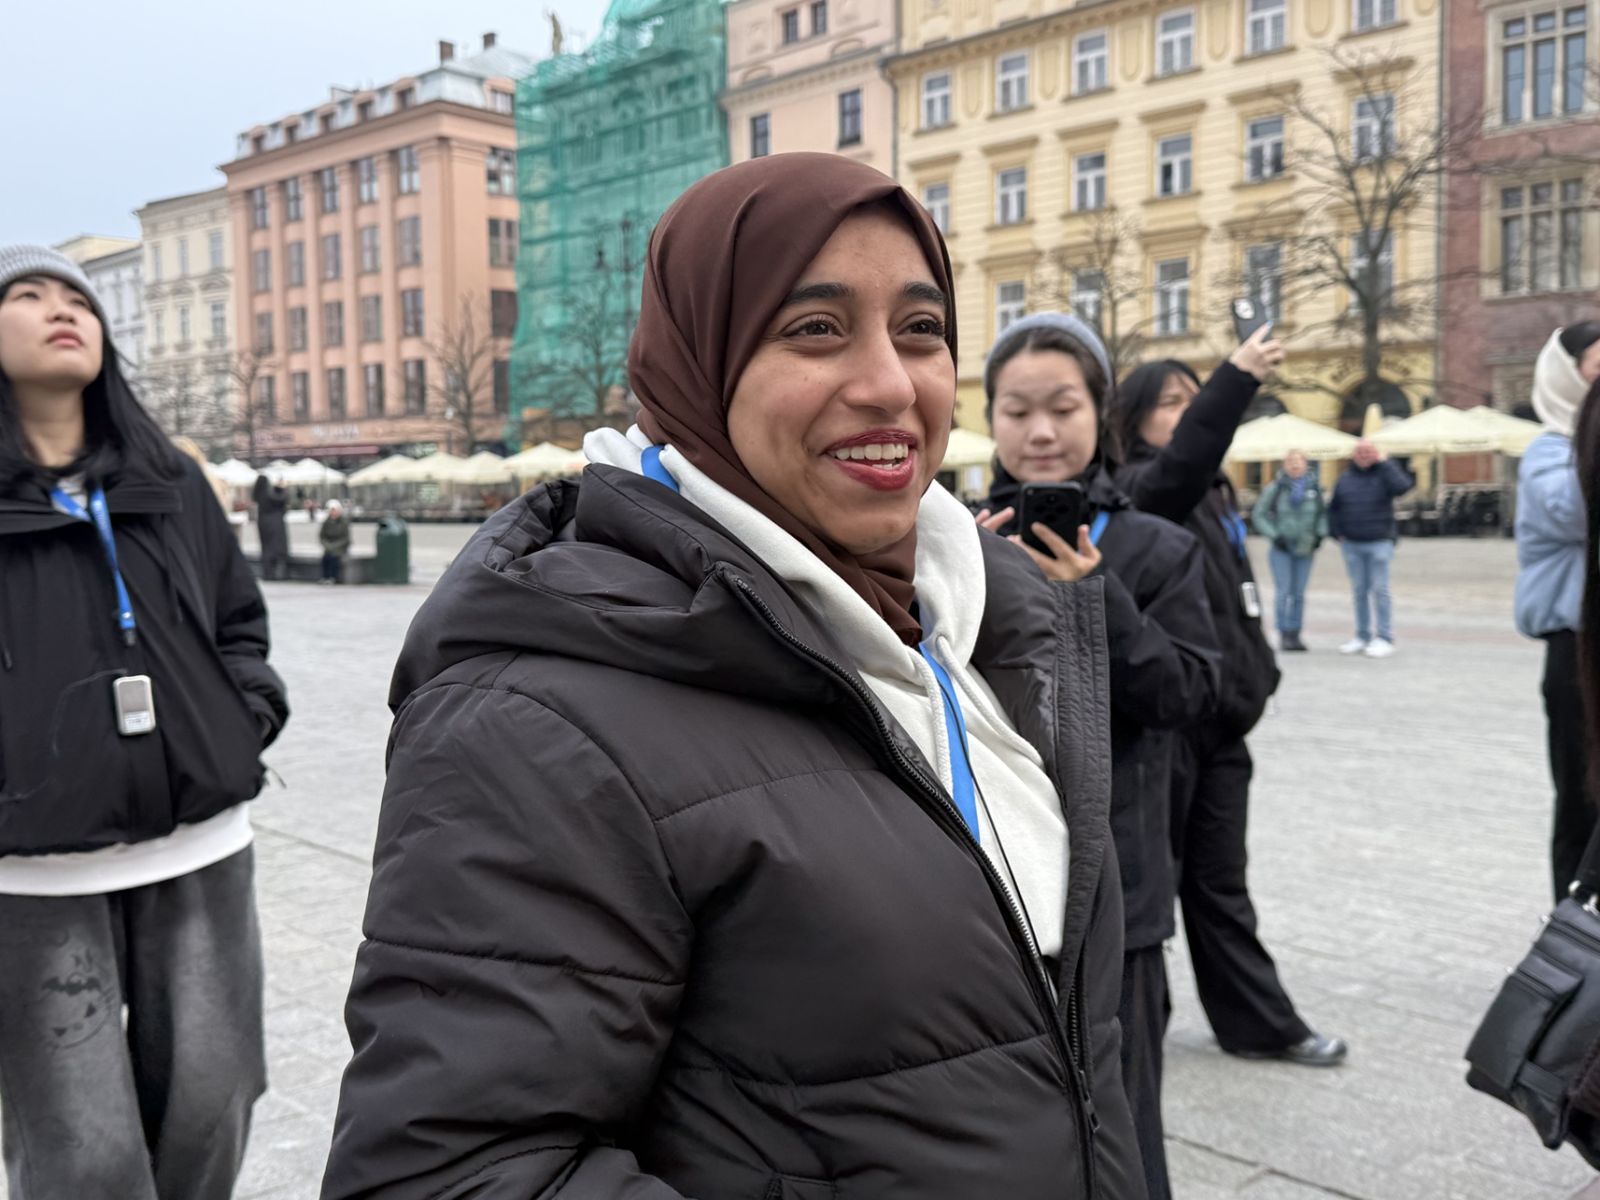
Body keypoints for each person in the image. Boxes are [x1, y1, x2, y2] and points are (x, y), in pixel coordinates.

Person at [322, 155, 1145, 1199]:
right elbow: (446, 1173)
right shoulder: (537, 717)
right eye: (815, 329)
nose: (890, 383)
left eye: (921, 330)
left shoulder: (975, 627)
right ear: (697, 365)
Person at [0, 245, 289, 1195]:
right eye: (28, 295)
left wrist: (241, 715)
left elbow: (238, 620)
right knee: (83, 1154)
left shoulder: (167, 479)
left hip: (199, 845)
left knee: (214, 1106)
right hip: (34, 871)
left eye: (77, 296)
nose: (62, 309)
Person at [977, 312, 1219, 1200]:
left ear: (1100, 415)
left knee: (1122, 1126)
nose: (1039, 432)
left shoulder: (1159, 547)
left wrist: (1095, 598)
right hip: (987, 881)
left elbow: (1194, 693)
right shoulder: (953, 540)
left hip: (1123, 883)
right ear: (989, 419)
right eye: (1016, 410)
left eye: (1063, 407)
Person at [1112, 346, 1347, 1068]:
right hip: (1169, 731)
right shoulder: (1145, 490)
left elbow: (1236, 604)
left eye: (1196, 398)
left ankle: (1257, 1023)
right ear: (1133, 420)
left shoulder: (1215, 494)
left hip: (1222, 726)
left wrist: (1262, 675)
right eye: (1173, 402)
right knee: (1150, 891)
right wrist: (1235, 380)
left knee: (1220, 882)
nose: (1187, 413)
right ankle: (1130, 1025)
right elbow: (1181, 462)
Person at [1516, 321, 1600, 901]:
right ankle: (1574, 939)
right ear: (1567, 373)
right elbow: (1575, 510)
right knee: (1582, 797)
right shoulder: (1548, 450)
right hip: (1576, 650)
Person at [1328, 439, 1413, 659]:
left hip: (1379, 541)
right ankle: (1362, 635)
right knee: (1359, 591)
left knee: (1380, 590)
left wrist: (1386, 464)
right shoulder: (1345, 478)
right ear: (1354, 455)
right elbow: (1334, 507)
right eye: (1360, 452)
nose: (1364, 455)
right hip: (1352, 544)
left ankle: (1384, 637)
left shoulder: (1385, 475)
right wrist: (1336, 532)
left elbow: (1403, 487)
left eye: (1369, 452)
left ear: (1376, 454)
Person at [1251, 450, 1329, 653]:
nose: (1295, 466)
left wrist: (1320, 535)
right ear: (1285, 465)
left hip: (1305, 548)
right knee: (1283, 592)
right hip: (1281, 548)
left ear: (1305, 465)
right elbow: (1259, 515)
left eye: (1298, 462)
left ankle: (1296, 632)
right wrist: (1274, 535)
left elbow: (1322, 515)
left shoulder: (1315, 489)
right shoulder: (1275, 489)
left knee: (1299, 593)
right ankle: (1284, 632)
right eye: (1290, 462)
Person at [254, 471, 289, 580]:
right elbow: (281, 499)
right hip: (275, 523)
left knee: (266, 548)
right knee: (277, 548)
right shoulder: (268, 494)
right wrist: (283, 488)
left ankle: (267, 573)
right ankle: (278, 574)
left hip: (262, 522)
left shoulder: (258, 494)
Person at [319, 498, 351, 585]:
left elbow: (346, 539)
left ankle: (333, 577)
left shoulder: (343, 522)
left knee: (334, 557)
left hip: (340, 547)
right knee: (325, 558)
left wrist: (334, 546)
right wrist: (327, 545)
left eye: (334, 510)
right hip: (329, 546)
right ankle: (325, 577)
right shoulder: (326, 522)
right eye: (331, 511)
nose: (333, 513)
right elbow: (322, 536)